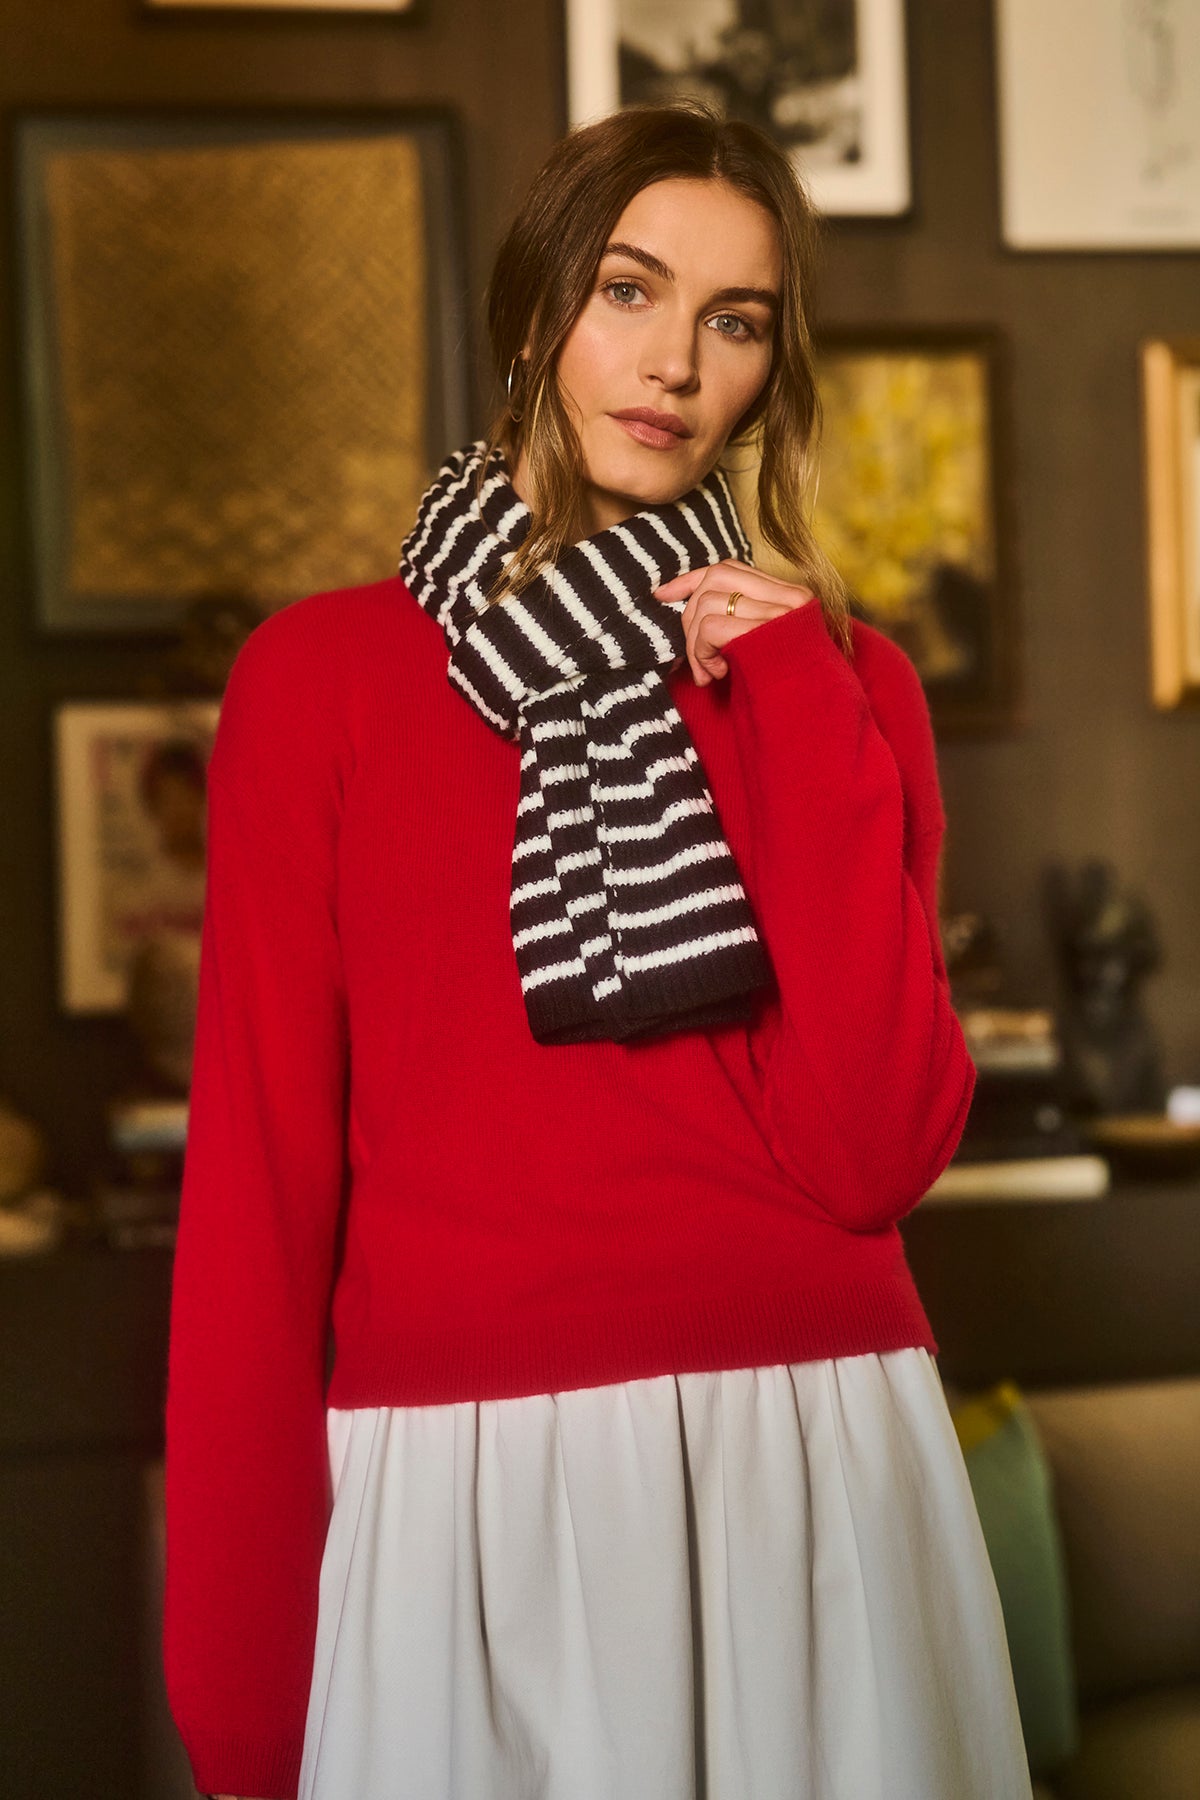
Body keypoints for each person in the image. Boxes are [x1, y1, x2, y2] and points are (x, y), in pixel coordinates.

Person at [163, 102, 1034, 1800]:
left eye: (735, 320)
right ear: (534, 312)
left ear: (772, 369)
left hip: (816, 1462)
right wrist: (243, 1687)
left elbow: (873, 1150)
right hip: (464, 1491)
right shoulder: (322, 683)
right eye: (628, 292)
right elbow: (256, 1201)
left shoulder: (847, 688)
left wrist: (790, 689)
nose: (673, 365)